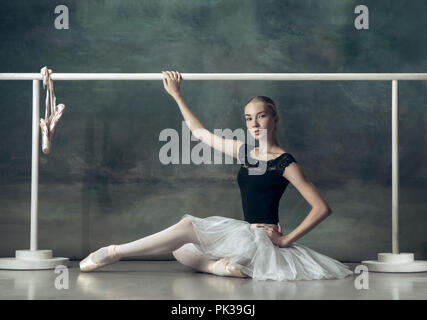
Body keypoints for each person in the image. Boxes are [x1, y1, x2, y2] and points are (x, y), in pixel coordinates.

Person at [79, 71, 354, 281]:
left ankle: (115, 252)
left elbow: (321, 208)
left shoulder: (284, 162)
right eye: (248, 118)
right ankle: (223, 268)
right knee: (181, 248)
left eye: (261, 116)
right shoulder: (246, 152)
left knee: (187, 227)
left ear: (275, 118)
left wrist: (285, 240)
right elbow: (200, 134)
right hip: (245, 236)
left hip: (261, 238)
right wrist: (176, 94)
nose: (254, 124)